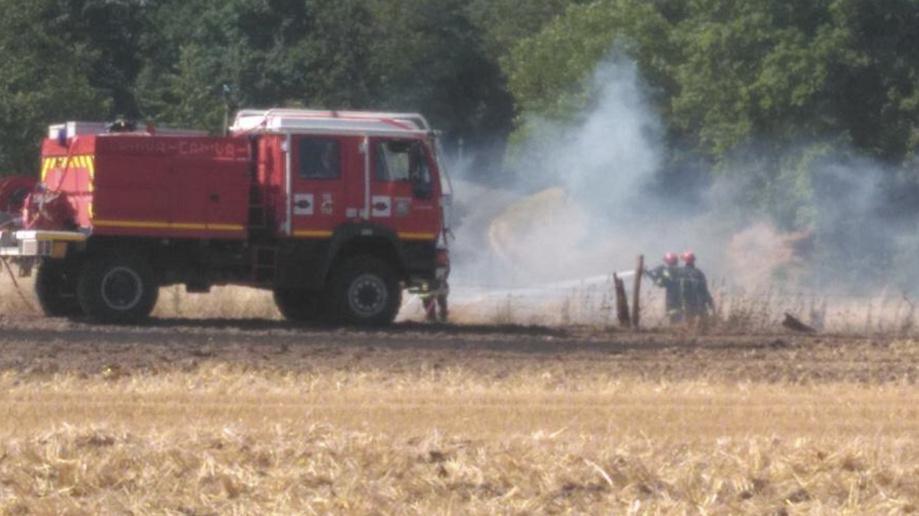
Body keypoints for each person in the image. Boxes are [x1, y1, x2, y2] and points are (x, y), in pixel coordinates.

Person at [646, 252, 684, 324]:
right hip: (682, 296)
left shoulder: (666, 271)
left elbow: (660, 284)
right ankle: (681, 327)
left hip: (672, 296)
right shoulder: (681, 270)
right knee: (679, 313)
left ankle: (675, 328)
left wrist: (650, 274)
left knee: (673, 314)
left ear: (668, 262)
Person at [680, 251, 714, 324]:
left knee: (689, 322)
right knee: (704, 323)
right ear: (693, 261)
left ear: (685, 261)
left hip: (688, 301)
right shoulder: (699, 272)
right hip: (700, 301)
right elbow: (705, 289)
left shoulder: (681, 272)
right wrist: (710, 302)